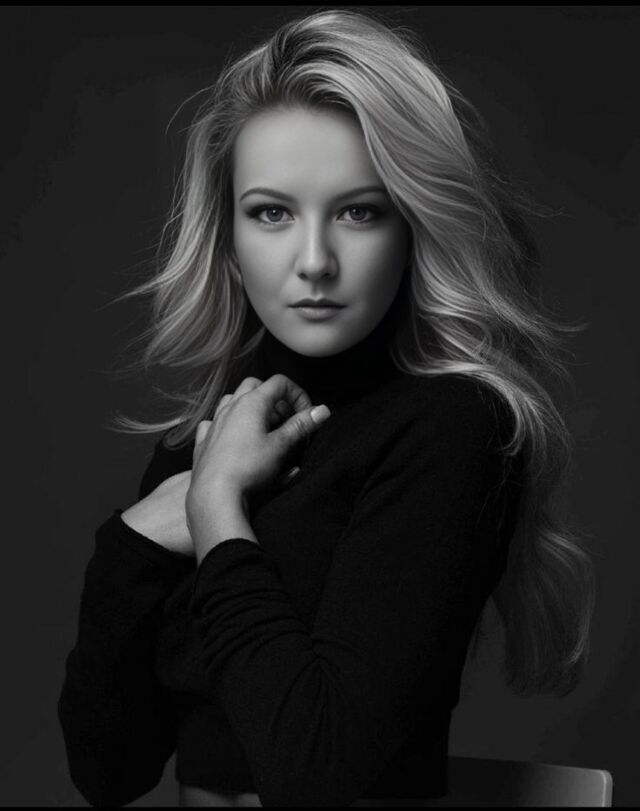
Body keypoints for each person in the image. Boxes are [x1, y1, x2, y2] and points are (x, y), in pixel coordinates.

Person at [58, 8, 596, 808]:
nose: (314, 261)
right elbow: (108, 772)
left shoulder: (454, 428)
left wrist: (217, 512)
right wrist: (131, 542)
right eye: (271, 212)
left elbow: (319, 776)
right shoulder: (216, 433)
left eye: (359, 211)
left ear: (413, 227)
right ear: (229, 242)